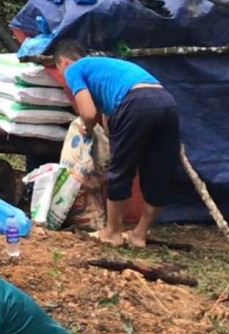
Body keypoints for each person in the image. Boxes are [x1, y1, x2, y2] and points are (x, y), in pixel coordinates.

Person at [52, 41, 180, 247]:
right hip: (166, 102)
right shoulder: (106, 70)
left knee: (120, 171)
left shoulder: (74, 68)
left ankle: (112, 232)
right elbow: (109, 120)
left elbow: (89, 113)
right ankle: (139, 235)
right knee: (158, 172)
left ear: (64, 62)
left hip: (136, 104)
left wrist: (86, 127)